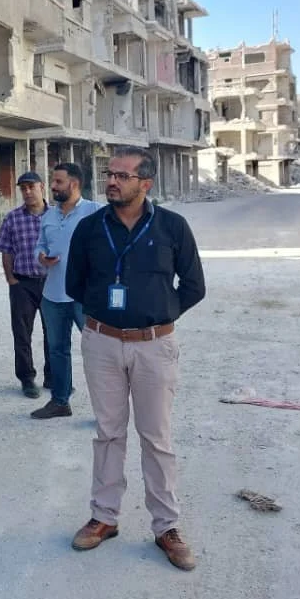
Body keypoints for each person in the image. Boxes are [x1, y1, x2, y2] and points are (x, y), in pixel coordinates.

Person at [65, 146, 206, 571]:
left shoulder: (172, 226)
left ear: (145, 183)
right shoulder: (90, 228)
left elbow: (194, 285)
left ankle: (166, 526)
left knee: (156, 436)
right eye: (109, 173)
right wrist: (108, 316)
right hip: (102, 343)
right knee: (108, 432)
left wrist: (159, 312)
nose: (112, 180)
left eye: (122, 175)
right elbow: (75, 284)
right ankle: (104, 517)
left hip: (154, 345)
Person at [31, 163, 103, 420]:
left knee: (98, 352)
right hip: (52, 295)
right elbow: (40, 244)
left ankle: (106, 411)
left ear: (73, 184)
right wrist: (40, 256)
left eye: (58, 182)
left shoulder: (95, 211)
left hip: (84, 297)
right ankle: (60, 402)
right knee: (57, 349)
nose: (52, 186)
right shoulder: (49, 215)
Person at [0, 171, 50, 398]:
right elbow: (6, 250)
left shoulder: (56, 217)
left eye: (31, 187)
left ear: (41, 187)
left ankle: (53, 377)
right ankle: (27, 379)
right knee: (22, 333)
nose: (27, 192)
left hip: (50, 283)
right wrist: (11, 280)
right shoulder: (13, 218)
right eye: (23, 188)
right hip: (22, 283)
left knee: (53, 332)